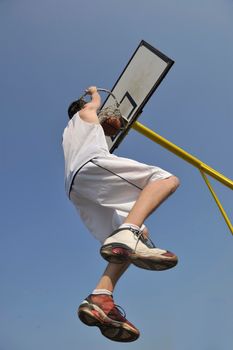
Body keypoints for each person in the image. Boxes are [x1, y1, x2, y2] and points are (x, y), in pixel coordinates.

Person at [62, 86, 180, 342]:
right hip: (89, 166)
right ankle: (129, 233)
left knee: (134, 239)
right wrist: (94, 93)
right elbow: (97, 104)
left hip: (75, 189)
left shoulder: (71, 135)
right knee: (165, 179)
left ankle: (100, 296)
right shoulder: (85, 114)